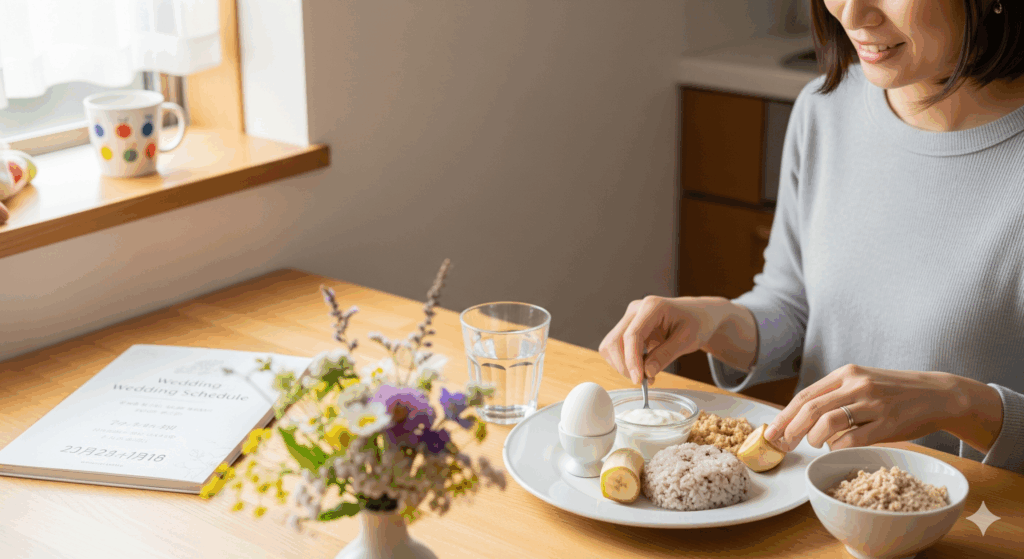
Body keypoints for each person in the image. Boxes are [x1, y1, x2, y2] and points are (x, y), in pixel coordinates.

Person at [600, 0, 1024, 473]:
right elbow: (797, 311)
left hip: (977, 531)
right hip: (821, 509)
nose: (852, 13)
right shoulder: (825, 108)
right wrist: (711, 321)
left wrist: (962, 404)